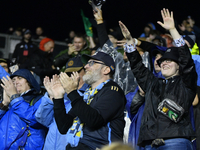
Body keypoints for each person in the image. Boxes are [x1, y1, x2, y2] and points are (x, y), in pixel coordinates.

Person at [119, 8, 197, 149]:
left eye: (169, 61)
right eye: (162, 61)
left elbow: (186, 60)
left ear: (179, 66)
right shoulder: (153, 83)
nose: (164, 63)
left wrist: (173, 30)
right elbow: (138, 68)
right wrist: (130, 43)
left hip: (175, 140)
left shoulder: (186, 82)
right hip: (149, 142)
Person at [51, 51, 126, 150]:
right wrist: (58, 98)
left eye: (91, 63)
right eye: (86, 63)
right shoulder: (88, 95)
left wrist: (72, 92)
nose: (86, 66)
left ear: (106, 70)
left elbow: (93, 120)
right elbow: (64, 126)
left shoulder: (113, 92)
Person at [35, 56, 89, 150]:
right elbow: (43, 120)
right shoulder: (61, 95)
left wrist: (74, 93)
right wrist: (51, 97)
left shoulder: (89, 95)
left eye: (76, 72)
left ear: (86, 71)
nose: (71, 76)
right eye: (68, 73)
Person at [0, 69, 47, 149]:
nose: (16, 82)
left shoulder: (39, 100)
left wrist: (15, 97)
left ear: (29, 82)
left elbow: (36, 120)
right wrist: (4, 104)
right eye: (13, 80)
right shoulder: (8, 104)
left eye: (20, 78)